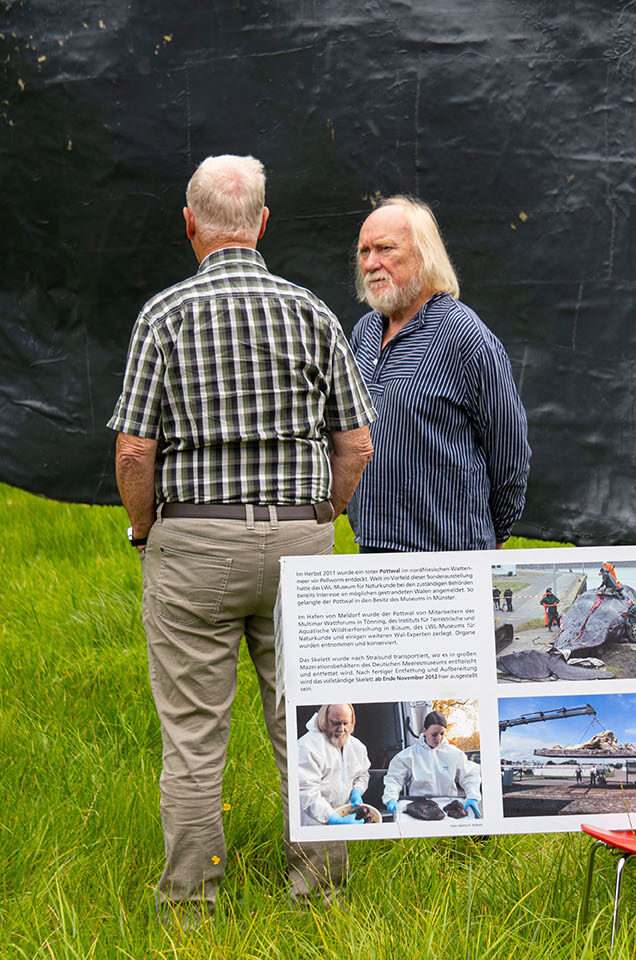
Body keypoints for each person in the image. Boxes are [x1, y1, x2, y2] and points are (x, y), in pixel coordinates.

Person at [108, 155, 376, 921]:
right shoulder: (312, 313)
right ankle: (319, 897)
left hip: (194, 542)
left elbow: (134, 451)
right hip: (298, 538)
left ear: (190, 224)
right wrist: (324, 512)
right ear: (263, 223)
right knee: (309, 722)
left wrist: (143, 527)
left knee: (194, 740)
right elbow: (356, 444)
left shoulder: (164, 316)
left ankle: (190, 907)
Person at [347, 195, 531, 552]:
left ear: (423, 254)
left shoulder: (464, 336)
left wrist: (495, 535)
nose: (371, 263)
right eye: (364, 251)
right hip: (372, 552)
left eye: (385, 249)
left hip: (445, 558)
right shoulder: (364, 333)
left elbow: (510, 452)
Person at [382, 711, 481, 816]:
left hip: (448, 808)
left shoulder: (454, 754)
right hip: (420, 808)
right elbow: (394, 779)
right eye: (434, 734)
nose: (438, 738)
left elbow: (469, 775)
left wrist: (473, 795)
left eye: (442, 734)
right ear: (424, 731)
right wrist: (391, 797)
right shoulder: (408, 756)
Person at [298, 704, 371, 826]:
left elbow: (362, 775)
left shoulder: (357, 746)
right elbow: (305, 790)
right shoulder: (307, 746)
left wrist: (357, 790)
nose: (341, 729)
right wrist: (332, 817)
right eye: (336, 723)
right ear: (324, 720)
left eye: (345, 723)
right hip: (314, 821)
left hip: (345, 815)